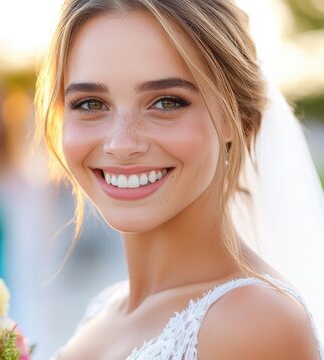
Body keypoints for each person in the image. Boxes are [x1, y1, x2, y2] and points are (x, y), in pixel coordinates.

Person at [35, 0, 324, 358]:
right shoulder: (105, 308)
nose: (122, 144)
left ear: (236, 117)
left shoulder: (254, 323)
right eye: (91, 104)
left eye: (167, 102)